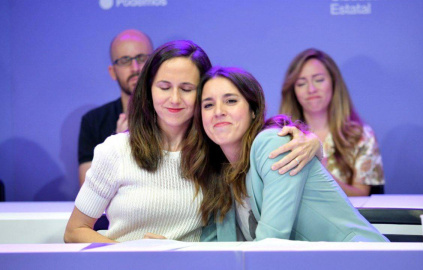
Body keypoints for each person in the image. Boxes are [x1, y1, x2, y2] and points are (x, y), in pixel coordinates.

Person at [65, 40, 322, 243]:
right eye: (164, 87)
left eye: (187, 89)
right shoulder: (116, 150)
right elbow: (75, 230)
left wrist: (312, 142)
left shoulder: (219, 150)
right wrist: (134, 253)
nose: (174, 99)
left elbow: (265, 141)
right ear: (148, 90)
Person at [194, 67, 388, 242]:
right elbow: (216, 248)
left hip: (360, 260)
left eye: (231, 101)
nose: (218, 111)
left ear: (253, 110)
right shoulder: (221, 173)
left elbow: (271, 241)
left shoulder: (271, 143)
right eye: (208, 105)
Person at [279, 49, 385, 196]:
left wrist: (322, 172)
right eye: (301, 83)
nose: (311, 89)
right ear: (293, 91)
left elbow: (362, 195)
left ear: (334, 83)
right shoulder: (282, 136)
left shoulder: (360, 136)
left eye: (319, 80)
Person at [77, 29, 154, 187]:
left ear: (153, 64)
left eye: (141, 58)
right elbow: (87, 190)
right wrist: (118, 146)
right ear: (113, 72)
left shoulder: (171, 114)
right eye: (125, 60)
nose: (135, 68)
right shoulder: (93, 121)